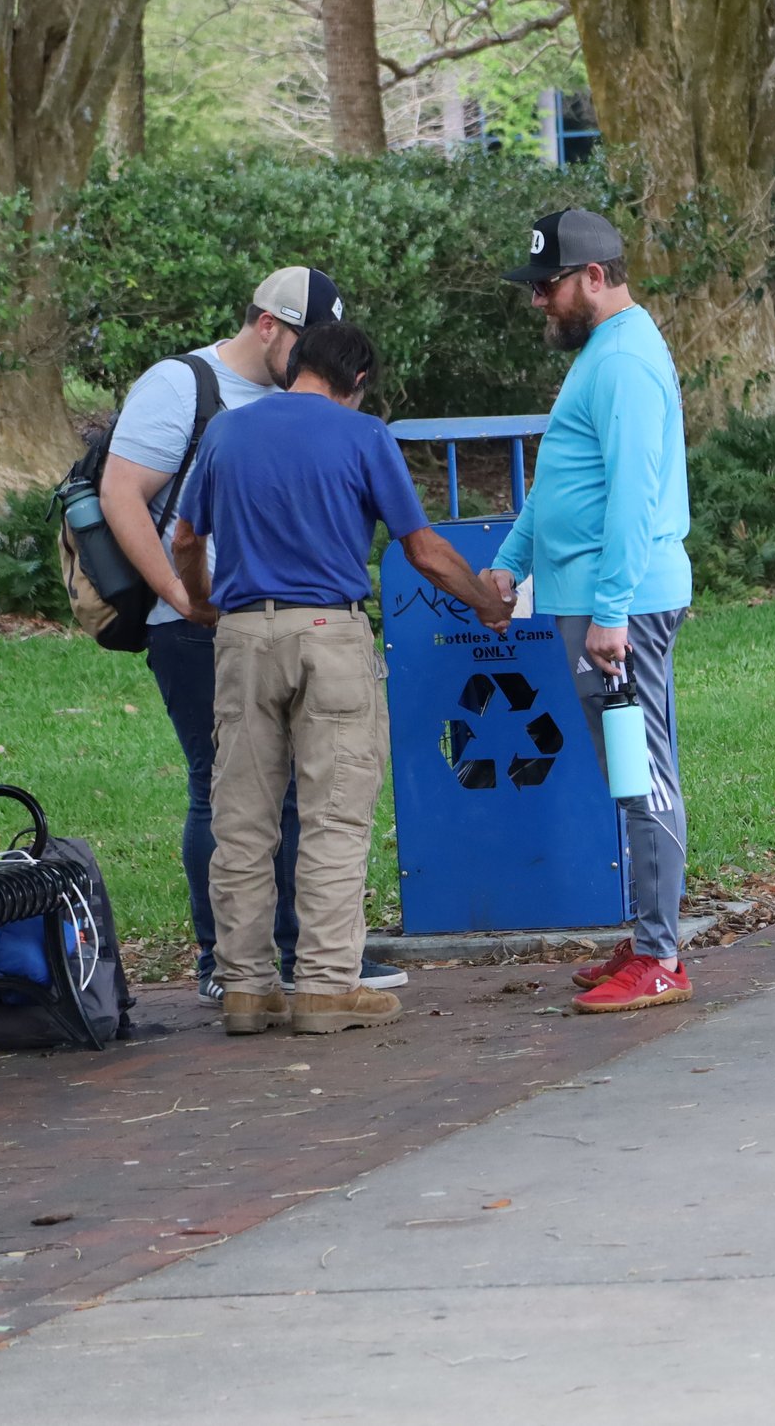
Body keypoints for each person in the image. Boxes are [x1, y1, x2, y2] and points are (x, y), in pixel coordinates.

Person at [173, 322, 512, 1035]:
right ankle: (326, 986)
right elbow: (421, 549)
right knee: (331, 816)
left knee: (240, 821)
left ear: (295, 364)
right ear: (356, 382)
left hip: (241, 636)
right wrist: (485, 602)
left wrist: (201, 601)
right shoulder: (363, 437)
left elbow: (185, 537)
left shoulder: (226, 433)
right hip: (328, 633)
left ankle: (245, 990)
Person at [98, 266, 408, 1001]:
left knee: (295, 793)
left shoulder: (282, 401)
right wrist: (182, 596)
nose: (315, 356)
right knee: (224, 793)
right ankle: (224, 963)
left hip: (257, 618)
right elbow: (122, 492)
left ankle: (297, 958)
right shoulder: (183, 387)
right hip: (199, 622)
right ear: (268, 323)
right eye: (308, 337)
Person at [479, 208, 698, 1014]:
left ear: (595, 277)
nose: (539, 301)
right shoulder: (601, 355)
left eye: (548, 285)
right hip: (596, 605)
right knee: (624, 771)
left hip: (623, 609)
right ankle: (648, 932)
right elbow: (561, 484)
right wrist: (510, 566)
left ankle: (661, 957)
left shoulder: (629, 359)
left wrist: (610, 612)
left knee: (644, 774)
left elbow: (637, 497)